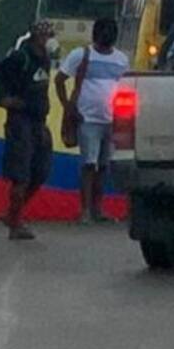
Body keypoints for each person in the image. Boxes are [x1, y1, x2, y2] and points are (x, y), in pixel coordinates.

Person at [55, 18, 129, 225]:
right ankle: (85, 210)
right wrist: (68, 107)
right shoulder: (80, 55)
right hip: (87, 119)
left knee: (103, 166)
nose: (106, 35)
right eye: (103, 31)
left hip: (112, 120)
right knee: (89, 165)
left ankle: (98, 209)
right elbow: (59, 80)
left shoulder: (122, 60)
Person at [0, 20, 54, 241]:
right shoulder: (20, 57)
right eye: (46, 36)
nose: (49, 40)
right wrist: (4, 99)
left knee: (41, 170)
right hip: (21, 122)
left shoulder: (45, 59)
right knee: (21, 175)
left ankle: (13, 214)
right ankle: (15, 222)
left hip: (39, 120)